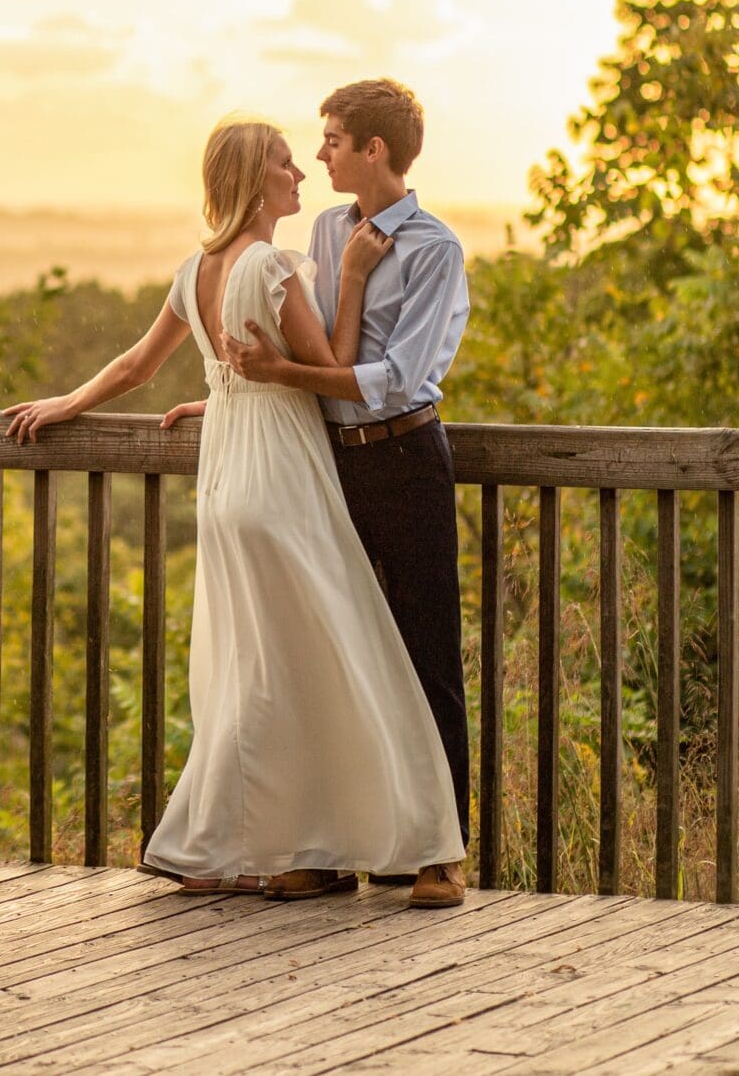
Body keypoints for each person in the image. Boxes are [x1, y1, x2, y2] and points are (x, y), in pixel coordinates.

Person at [4, 118, 466, 902]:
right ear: (257, 180)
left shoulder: (196, 267)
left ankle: (298, 842)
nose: (304, 172)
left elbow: (138, 364)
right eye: (289, 162)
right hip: (284, 481)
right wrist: (349, 282)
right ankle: (411, 842)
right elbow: (327, 367)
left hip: (225, 479)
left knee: (265, 668)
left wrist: (72, 400)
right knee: (350, 659)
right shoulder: (279, 262)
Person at [221, 78, 472, 909]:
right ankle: (331, 846)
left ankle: (440, 855)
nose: (320, 150)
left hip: (404, 461)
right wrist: (238, 391)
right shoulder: (329, 229)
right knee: (338, 647)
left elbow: (399, 377)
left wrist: (278, 374)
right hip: (327, 462)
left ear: (375, 150)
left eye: (332, 138)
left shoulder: (435, 249)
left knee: (425, 653)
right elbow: (315, 346)